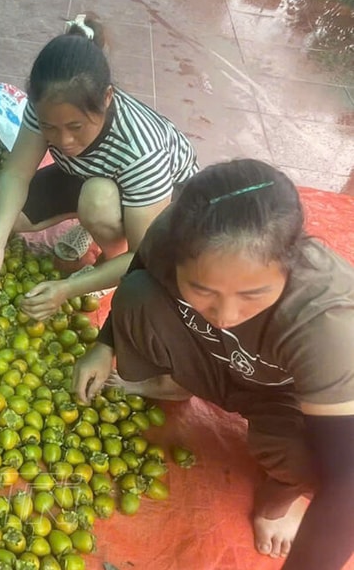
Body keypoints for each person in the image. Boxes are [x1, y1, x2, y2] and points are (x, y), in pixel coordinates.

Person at [73, 159, 354, 568]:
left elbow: (347, 480)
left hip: (282, 398)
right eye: (201, 290)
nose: (225, 313)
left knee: (306, 456)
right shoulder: (172, 232)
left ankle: (280, 498)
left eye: (253, 294)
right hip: (214, 357)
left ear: (291, 266)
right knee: (137, 294)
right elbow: (141, 267)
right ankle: (175, 383)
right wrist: (103, 344)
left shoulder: (325, 321)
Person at [0, 14, 198, 320]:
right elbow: (15, 174)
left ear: (106, 98)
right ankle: (92, 223)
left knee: (97, 200)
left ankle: (107, 258)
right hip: (88, 171)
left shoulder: (142, 150)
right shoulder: (47, 107)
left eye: (76, 126)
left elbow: (142, 256)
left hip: (160, 202)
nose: (63, 140)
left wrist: (66, 290)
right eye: (50, 127)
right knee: (11, 218)